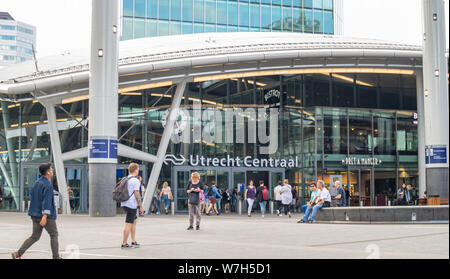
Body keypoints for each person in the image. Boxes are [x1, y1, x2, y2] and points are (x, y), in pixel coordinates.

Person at [12, 163, 61, 259]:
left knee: (35, 236)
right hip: (45, 216)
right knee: (54, 234)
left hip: (35, 214)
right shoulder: (47, 185)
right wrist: (45, 215)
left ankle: (18, 254)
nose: (52, 171)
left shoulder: (37, 182)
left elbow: (33, 197)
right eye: (51, 170)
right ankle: (56, 257)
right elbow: (46, 201)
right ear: (47, 172)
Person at [121, 163, 145, 249]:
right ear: (135, 170)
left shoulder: (125, 178)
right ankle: (124, 243)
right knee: (128, 223)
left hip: (124, 203)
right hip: (131, 205)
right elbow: (137, 194)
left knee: (134, 221)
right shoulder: (135, 180)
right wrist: (141, 206)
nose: (138, 171)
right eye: (138, 169)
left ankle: (133, 241)